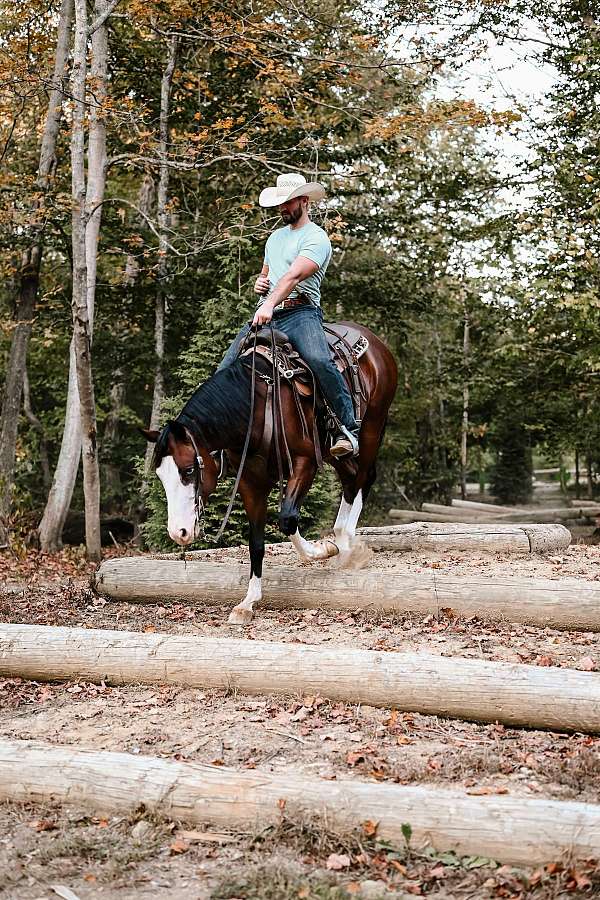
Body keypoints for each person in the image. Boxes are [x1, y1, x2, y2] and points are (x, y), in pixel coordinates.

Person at [218, 172, 360, 457]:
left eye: (288, 202)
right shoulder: (274, 239)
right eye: (280, 203)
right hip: (269, 311)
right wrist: (260, 287)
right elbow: (267, 276)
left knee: (320, 360)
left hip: (301, 312)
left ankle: (348, 430)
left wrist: (268, 305)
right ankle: (218, 436)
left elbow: (293, 277)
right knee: (225, 367)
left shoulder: (316, 238)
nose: (282, 208)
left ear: (304, 201)